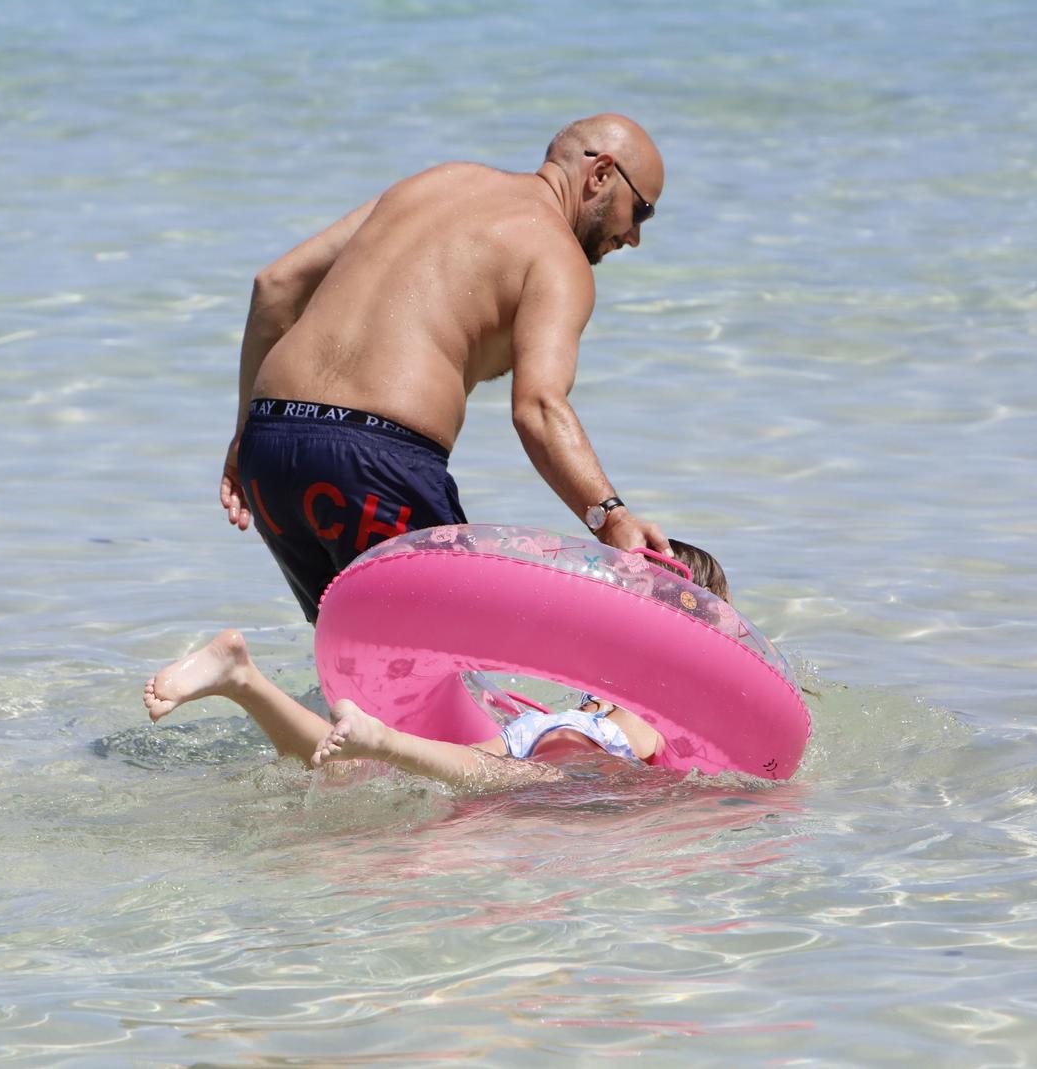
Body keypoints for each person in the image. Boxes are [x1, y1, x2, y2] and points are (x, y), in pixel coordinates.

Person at [220, 114, 672, 621]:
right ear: (602, 173)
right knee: (450, 664)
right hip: (376, 464)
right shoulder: (556, 253)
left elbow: (275, 286)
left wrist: (244, 437)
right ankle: (235, 672)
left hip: (271, 452)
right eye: (642, 211)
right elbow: (539, 406)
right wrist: (610, 518)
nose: (634, 237)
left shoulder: (436, 181)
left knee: (363, 668)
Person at [146, 543, 731, 793]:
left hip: (549, 734)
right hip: (576, 751)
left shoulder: (589, 701)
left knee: (346, 773)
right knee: (521, 783)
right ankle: (384, 739)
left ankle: (243, 679)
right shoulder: (650, 714)